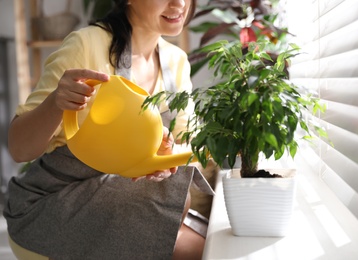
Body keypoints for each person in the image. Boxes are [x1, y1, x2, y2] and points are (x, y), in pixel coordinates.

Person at [3, 0, 214, 259]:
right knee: (197, 246)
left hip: (125, 196)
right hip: (49, 204)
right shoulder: (86, 45)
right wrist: (56, 102)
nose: (179, 3)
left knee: (206, 235)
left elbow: (186, 141)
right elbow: (19, 148)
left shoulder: (176, 60)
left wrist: (164, 156)